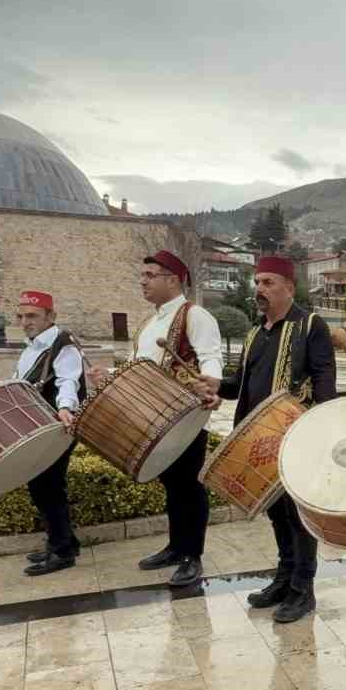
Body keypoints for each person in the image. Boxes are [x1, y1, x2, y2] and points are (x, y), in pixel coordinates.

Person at [195, 255, 336, 622]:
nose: (259, 289)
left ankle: (303, 591)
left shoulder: (311, 326)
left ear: (289, 287)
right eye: (257, 282)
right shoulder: (256, 332)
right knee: (276, 514)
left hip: (296, 440)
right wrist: (216, 386)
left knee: (298, 516)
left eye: (268, 282)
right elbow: (240, 384)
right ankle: (284, 578)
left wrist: (318, 434)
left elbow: (325, 386)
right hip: (256, 441)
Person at [92, 249, 224, 587]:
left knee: (190, 487)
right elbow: (138, 366)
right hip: (156, 418)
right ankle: (176, 546)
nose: (143, 281)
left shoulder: (194, 315)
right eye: (143, 275)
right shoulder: (150, 323)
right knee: (172, 486)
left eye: (150, 275)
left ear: (173, 280)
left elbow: (210, 357)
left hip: (187, 417)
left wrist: (210, 383)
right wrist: (108, 373)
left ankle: (192, 556)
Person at [0, 290, 85, 576]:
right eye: (21, 316)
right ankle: (65, 542)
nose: (24, 321)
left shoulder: (63, 344)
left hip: (58, 425)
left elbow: (69, 381)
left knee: (47, 486)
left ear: (50, 316)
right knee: (43, 485)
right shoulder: (32, 347)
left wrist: (66, 408)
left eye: (32, 316)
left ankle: (62, 551)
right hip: (41, 426)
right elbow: (20, 388)